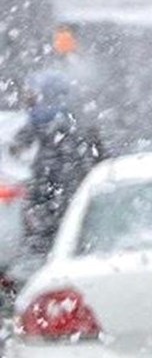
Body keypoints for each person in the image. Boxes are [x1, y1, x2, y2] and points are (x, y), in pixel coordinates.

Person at [12, 69, 106, 256]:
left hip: (49, 182)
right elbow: (94, 147)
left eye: (34, 92)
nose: (29, 97)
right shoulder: (72, 117)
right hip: (70, 181)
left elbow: (19, 144)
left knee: (45, 230)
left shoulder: (41, 119)